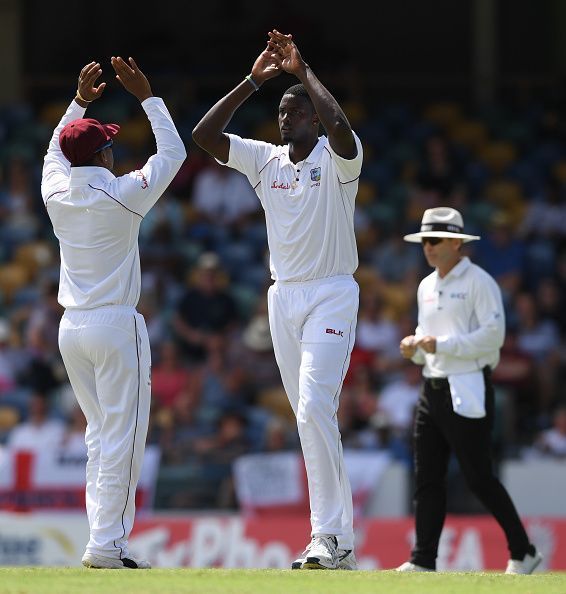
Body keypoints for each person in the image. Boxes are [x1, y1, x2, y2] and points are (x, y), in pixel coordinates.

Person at [192, 29, 363, 570]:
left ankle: (329, 535)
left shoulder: (339, 164)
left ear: (313, 116)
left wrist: (302, 72)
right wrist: (254, 81)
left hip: (332, 292)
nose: (287, 117)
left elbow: (344, 130)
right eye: (283, 112)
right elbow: (204, 134)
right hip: (282, 298)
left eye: (298, 111)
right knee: (308, 416)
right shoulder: (265, 160)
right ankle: (335, 540)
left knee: (315, 407)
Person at [41, 58, 186, 569]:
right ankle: (108, 546)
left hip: (71, 329)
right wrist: (149, 96)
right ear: (102, 153)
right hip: (115, 323)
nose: (113, 151)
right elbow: (173, 152)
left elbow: (54, 152)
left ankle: (100, 540)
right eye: (108, 145)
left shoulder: (56, 194)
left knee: (100, 435)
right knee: (122, 436)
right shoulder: (124, 195)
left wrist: (78, 103)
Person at [397, 206, 542, 575]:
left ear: (455, 242)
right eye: (424, 241)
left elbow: (493, 338)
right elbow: (427, 338)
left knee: (479, 479)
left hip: (468, 387)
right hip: (432, 388)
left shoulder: (480, 282)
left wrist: (438, 345)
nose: (427, 247)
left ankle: (523, 552)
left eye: (434, 240)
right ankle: (423, 559)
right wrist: (414, 348)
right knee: (427, 478)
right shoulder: (425, 286)